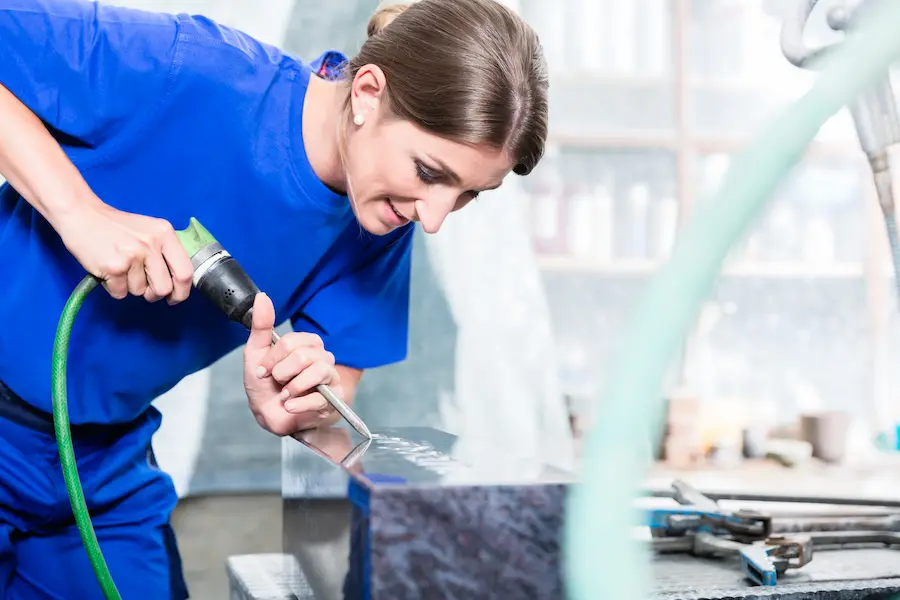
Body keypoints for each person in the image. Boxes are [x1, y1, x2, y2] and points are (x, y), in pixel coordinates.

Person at [0, 0, 548, 597]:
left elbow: (334, 404)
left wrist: (302, 404)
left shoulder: (380, 228)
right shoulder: (189, 67)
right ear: (367, 93)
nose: (436, 218)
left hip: (101, 460)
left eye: (469, 194)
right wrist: (79, 214)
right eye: (429, 171)